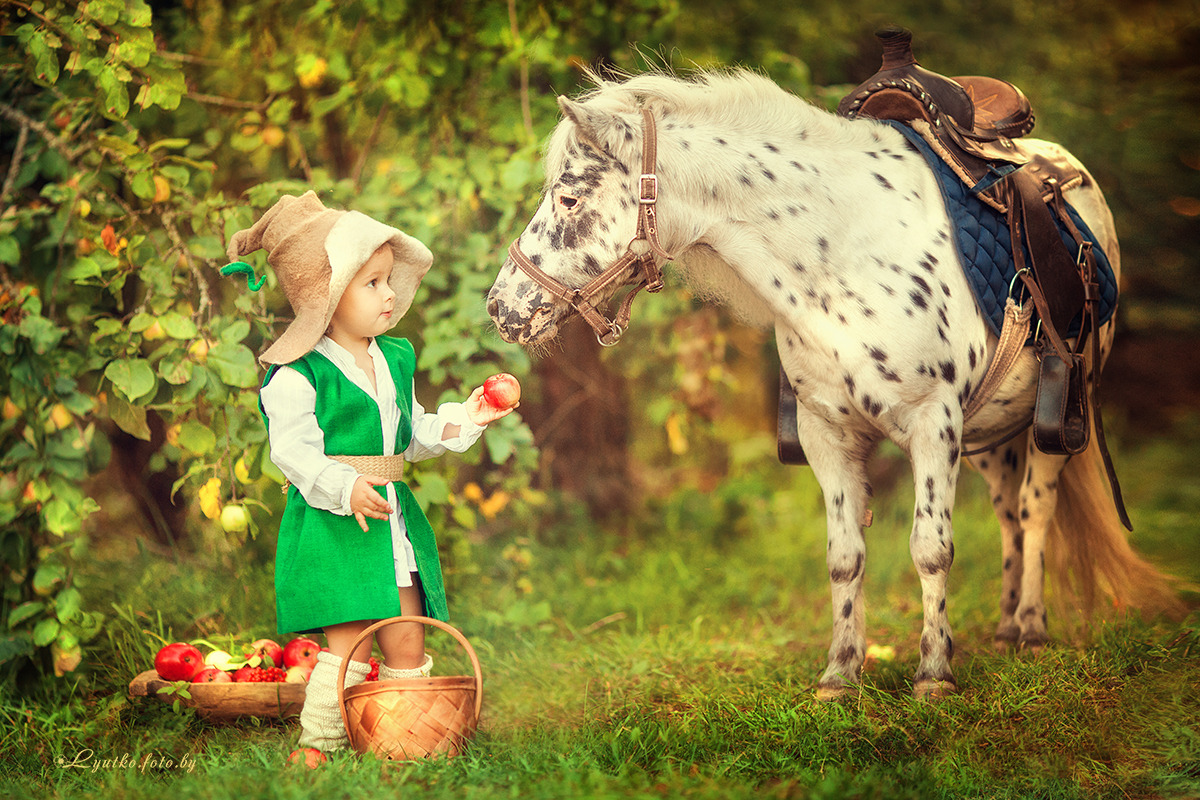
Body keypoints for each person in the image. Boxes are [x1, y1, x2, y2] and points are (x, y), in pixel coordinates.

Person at [221, 191, 513, 752]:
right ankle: (320, 743)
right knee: (350, 644)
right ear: (326, 297)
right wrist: (345, 485)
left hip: (391, 522)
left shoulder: (394, 357)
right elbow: (293, 451)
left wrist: (466, 417)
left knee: (407, 636)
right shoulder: (298, 374)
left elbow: (411, 433)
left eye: (389, 279)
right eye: (372, 282)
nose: (389, 293)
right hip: (338, 524)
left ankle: (405, 739)